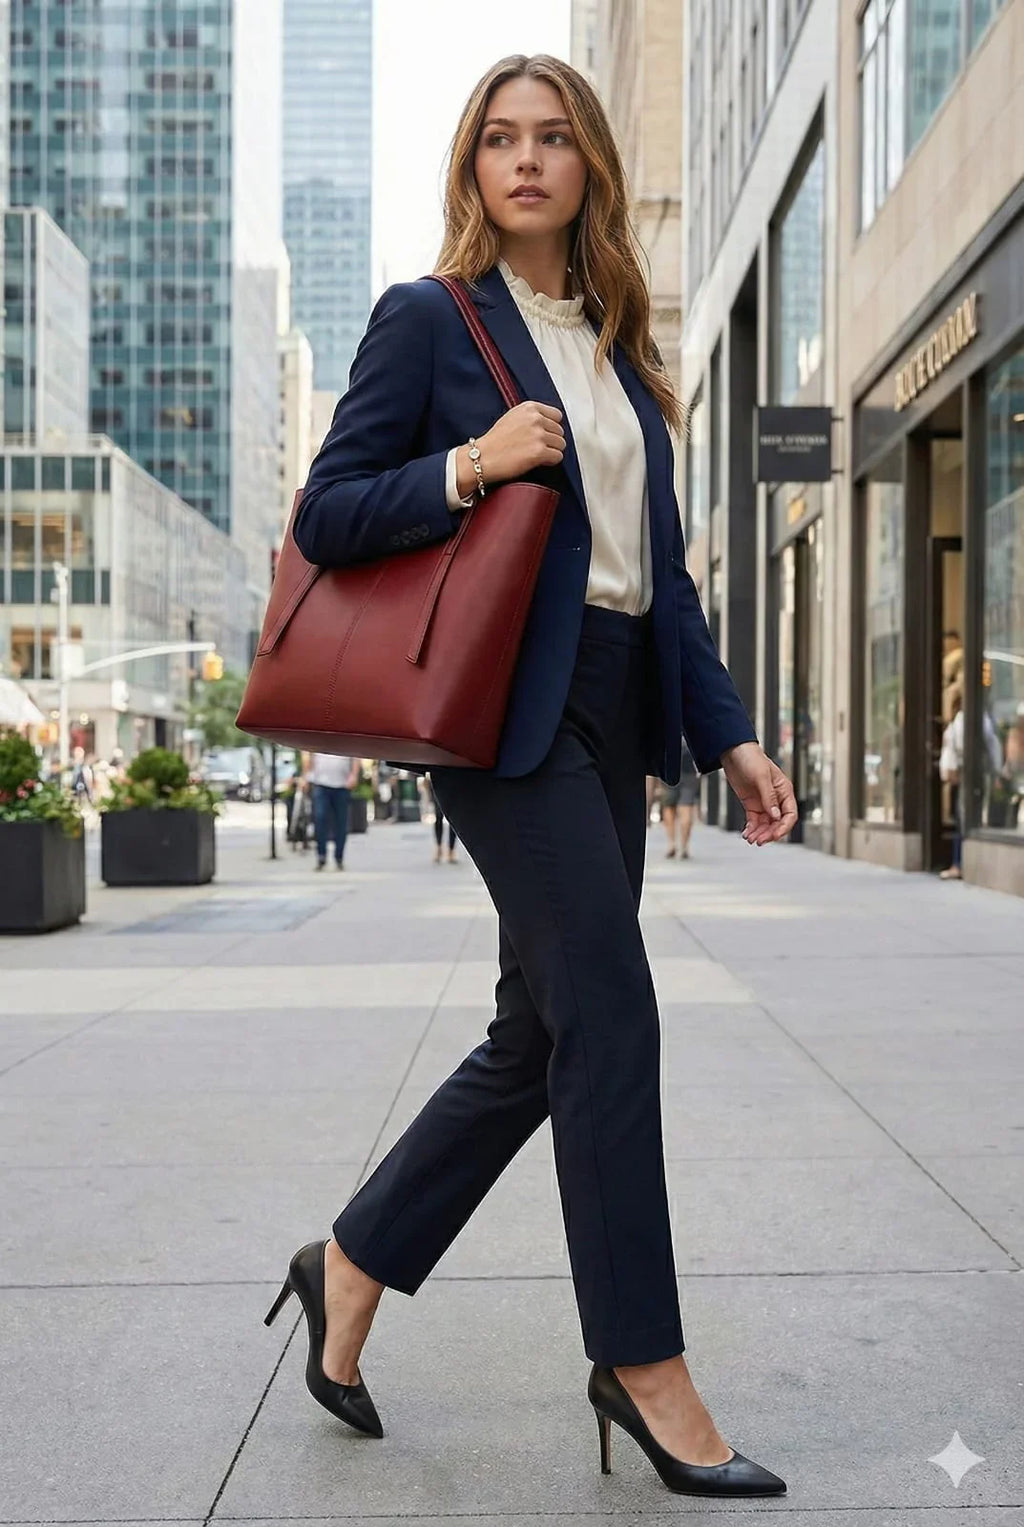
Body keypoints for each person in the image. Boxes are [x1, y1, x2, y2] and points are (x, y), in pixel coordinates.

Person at [268, 56, 796, 1500]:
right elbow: (326, 509)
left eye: (552, 137)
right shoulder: (431, 320)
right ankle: (642, 1363)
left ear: (591, 169)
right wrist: (469, 465)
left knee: (540, 1034)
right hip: (503, 707)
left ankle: (351, 1265)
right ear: (471, 169)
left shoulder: (623, 356)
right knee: (612, 1010)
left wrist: (727, 731)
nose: (525, 160)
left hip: (618, 704)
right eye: (498, 139)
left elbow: (662, 579)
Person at [305, 751, 359, 870]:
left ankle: (339, 857)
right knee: (320, 819)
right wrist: (306, 774)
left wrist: (354, 775)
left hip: (342, 785)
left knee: (341, 822)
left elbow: (355, 756)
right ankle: (321, 855)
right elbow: (308, 752)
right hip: (321, 783)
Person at [659, 738, 699, 859]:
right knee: (685, 807)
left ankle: (672, 844)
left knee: (669, 807)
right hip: (689, 771)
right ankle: (684, 846)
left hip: (669, 768)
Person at [428, 778, 458, 863]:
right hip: (438, 777)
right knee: (438, 815)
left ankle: (451, 849)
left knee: (453, 818)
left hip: (454, 780)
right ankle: (438, 847)